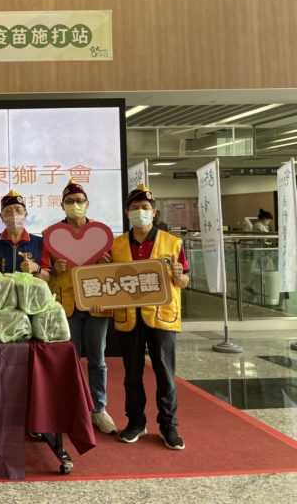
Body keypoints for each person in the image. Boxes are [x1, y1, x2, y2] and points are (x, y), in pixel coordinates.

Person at [109, 184, 189, 450]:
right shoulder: (117, 245)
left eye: (145, 208)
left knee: (165, 373)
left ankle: (168, 425)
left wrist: (179, 276)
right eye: (134, 208)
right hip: (129, 317)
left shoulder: (173, 243)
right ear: (127, 212)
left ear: (154, 212)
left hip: (162, 317)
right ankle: (136, 422)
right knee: (132, 375)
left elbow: (185, 281)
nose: (140, 211)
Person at [40, 179, 116, 435]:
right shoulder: (50, 235)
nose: (75, 205)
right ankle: (70, 407)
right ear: (62, 205)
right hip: (66, 305)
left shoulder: (102, 234)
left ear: (87, 204)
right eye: (70, 202)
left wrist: (109, 263)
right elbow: (44, 271)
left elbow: (118, 272)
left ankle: (99, 409)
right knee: (68, 360)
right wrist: (54, 269)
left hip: (97, 304)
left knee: (98, 360)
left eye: (79, 201)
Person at [0, 190, 49, 280]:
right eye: (8, 211)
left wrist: (36, 268)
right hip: (0, 290)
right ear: (1, 217)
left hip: (29, 289)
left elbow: (47, 278)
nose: (14, 214)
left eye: (18, 210)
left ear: (25, 215)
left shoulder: (39, 243)